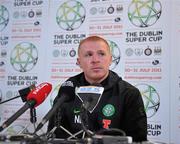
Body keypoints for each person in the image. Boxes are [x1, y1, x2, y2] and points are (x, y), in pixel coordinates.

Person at [47, 35, 147, 142]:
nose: (95, 60)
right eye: (88, 55)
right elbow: (55, 135)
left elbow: (138, 139)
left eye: (101, 54)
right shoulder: (68, 89)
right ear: (79, 62)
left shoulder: (129, 93)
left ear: (110, 60)